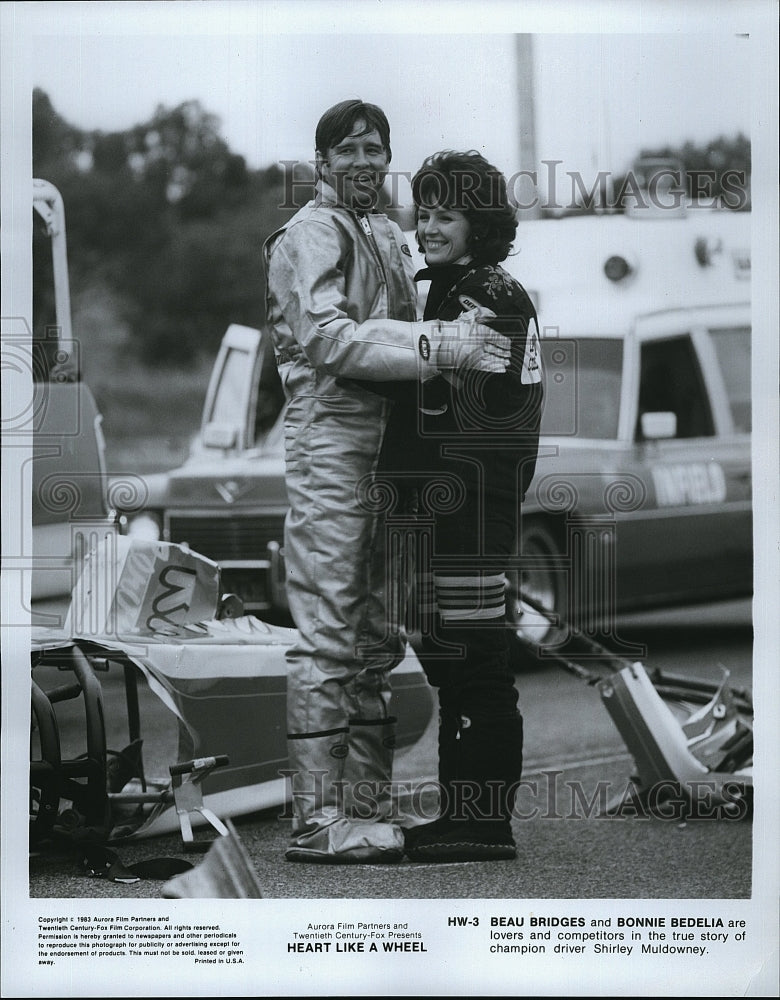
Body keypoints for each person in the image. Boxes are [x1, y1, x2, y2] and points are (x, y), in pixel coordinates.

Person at [263, 102, 511, 864]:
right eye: (350, 149)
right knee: (329, 632)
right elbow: (329, 337)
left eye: (377, 148)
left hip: (386, 450)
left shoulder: (381, 235)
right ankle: (315, 818)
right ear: (321, 160)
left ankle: (362, 807)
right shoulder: (309, 233)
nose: (366, 160)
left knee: (374, 637)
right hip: (330, 442)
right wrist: (439, 343)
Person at [377, 149, 544, 861]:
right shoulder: (457, 287)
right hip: (460, 506)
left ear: (481, 222)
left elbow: (421, 365)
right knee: (455, 659)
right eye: (426, 213)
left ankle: (482, 824)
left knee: (476, 662)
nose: (430, 228)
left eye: (448, 215)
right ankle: (462, 816)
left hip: (474, 507)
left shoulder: (489, 295)